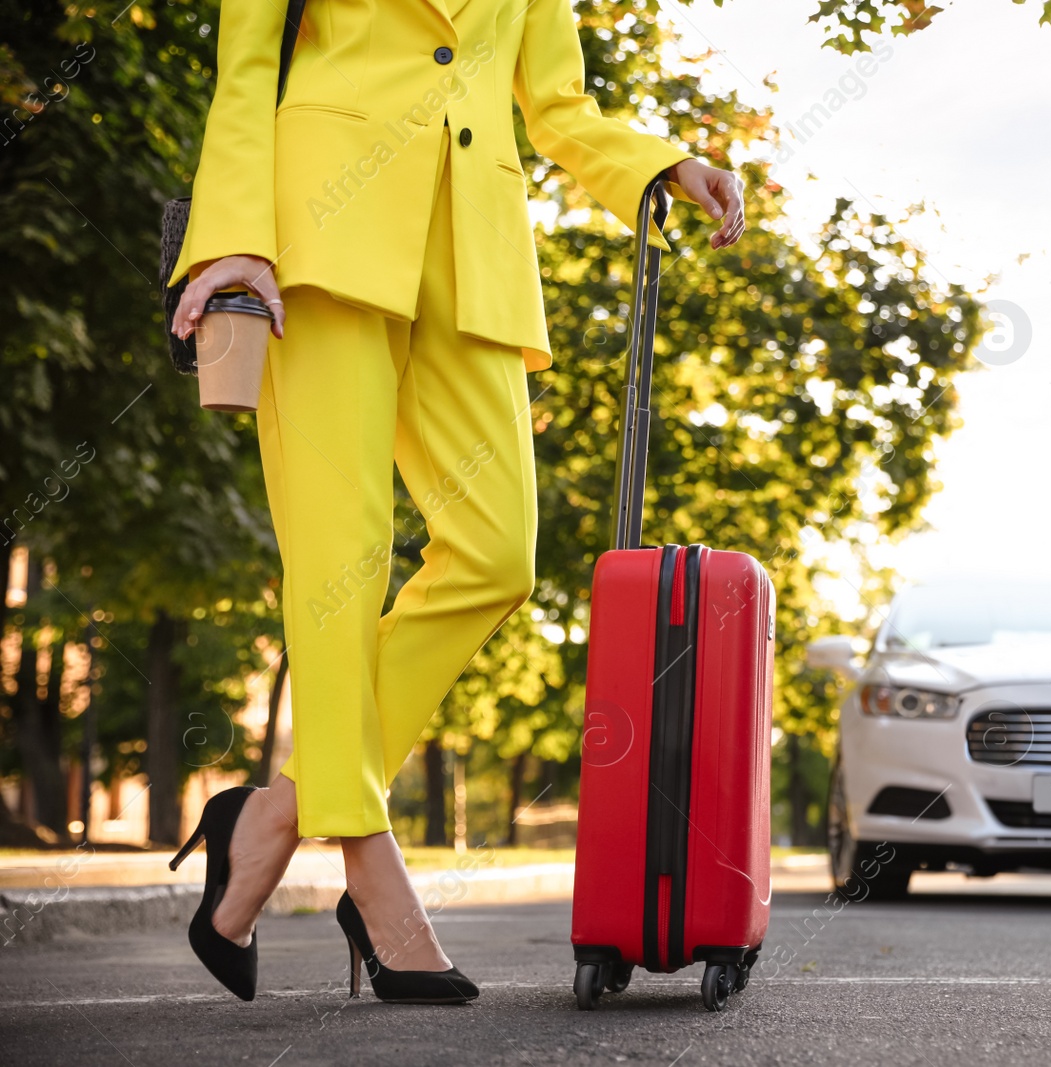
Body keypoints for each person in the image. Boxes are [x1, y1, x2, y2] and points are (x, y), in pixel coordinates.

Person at [164, 0, 744, 1003]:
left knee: (496, 554)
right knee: (339, 560)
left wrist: (654, 162)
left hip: (474, 254)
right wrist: (230, 239)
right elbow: (247, 69)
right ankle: (375, 874)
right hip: (318, 238)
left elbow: (558, 102)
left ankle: (267, 819)